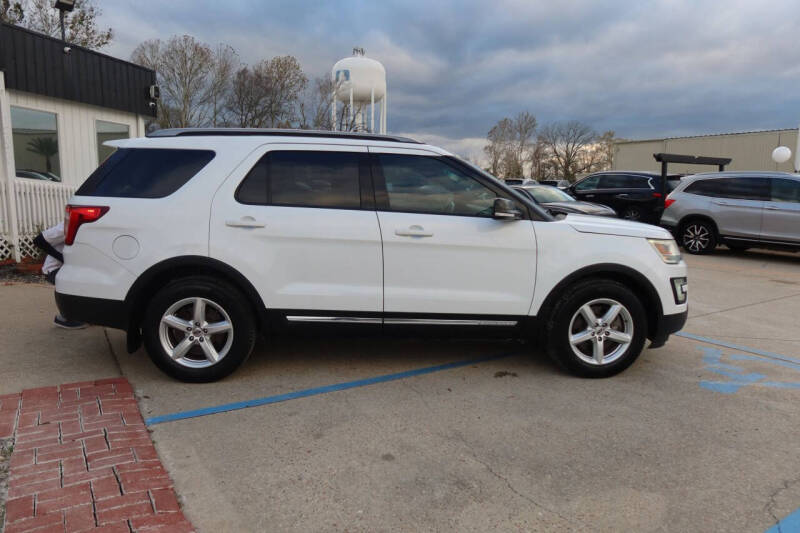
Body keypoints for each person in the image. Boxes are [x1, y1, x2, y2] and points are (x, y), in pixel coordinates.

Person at [33, 222, 88, 329]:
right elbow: (38, 240)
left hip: (69, 268)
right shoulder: (67, 227)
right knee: (74, 284)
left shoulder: (89, 228)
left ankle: (82, 315)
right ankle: (66, 318)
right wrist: (63, 259)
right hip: (54, 269)